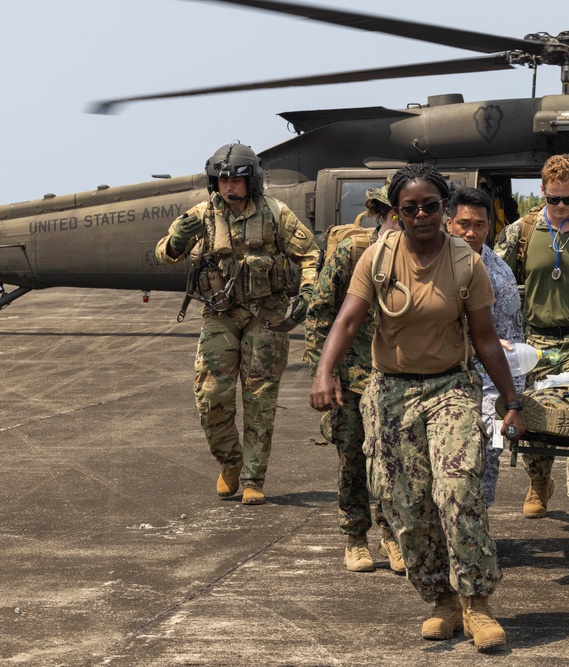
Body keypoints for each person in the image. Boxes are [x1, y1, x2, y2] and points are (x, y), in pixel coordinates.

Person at [309, 164, 524, 652]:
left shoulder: (465, 262)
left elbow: (487, 340)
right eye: (410, 208)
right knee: (405, 504)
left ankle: (477, 603)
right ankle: (440, 600)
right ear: (397, 212)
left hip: (450, 387)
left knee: (458, 490)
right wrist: (324, 372)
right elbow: (346, 321)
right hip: (392, 392)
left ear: (444, 210)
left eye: (431, 205)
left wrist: (511, 400)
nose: (422, 214)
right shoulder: (377, 258)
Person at [156, 142, 320, 506]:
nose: (229, 186)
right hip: (221, 315)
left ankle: (253, 478)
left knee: (260, 398)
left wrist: (307, 293)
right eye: (223, 179)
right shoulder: (200, 215)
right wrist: (177, 241)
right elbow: (164, 255)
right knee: (210, 396)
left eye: (237, 180)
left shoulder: (276, 213)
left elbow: (310, 254)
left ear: (252, 182)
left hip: (267, 315)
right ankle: (230, 463)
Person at [494, 154, 569, 541]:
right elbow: (493, 284)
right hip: (536, 340)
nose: (561, 206)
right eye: (553, 199)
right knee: (534, 416)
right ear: (542, 192)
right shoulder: (522, 232)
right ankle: (539, 482)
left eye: (568, 198)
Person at [303, 183, 404, 574]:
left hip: (396, 375)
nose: (403, 221)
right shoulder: (355, 251)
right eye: (396, 213)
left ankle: (392, 535)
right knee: (352, 460)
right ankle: (355, 538)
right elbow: (319, 313)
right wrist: (324, 372)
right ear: (383, 213)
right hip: (352, 375)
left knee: (396, 461)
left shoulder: (420, 255)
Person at [445, 186, 524, 509]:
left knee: (487, 459)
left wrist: (513, 401)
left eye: (479, 225)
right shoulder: (426, 262)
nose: (471, 232)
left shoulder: (500, 276)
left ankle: (477, 528)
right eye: (464, 224)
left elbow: (511, 342)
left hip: (485, 387)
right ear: (448, 223)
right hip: (438, 378)